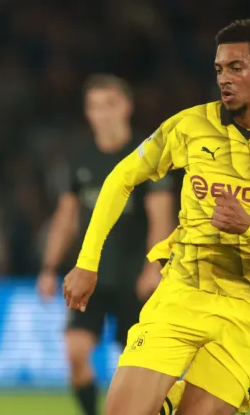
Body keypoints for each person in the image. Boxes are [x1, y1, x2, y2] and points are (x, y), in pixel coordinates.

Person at [63, 19, 250, 415]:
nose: (224, 77)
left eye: (236, 67)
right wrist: (87, 262)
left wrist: (248, 227)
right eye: (219, 68)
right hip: (182, 293)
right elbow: (120, 178)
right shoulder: (190, 126)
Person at [36, 74, 181, 415]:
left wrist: (153, 268)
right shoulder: (80, 160)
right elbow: (66, 217)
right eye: (95, 106)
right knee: (74, 353)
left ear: (127, 107)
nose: (103, 113)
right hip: (92, 275)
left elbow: (161, 216)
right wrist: (49, 268)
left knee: (137, 368)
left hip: (135, 276)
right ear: (87, 113)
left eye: (110, 104)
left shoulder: (148, 158)